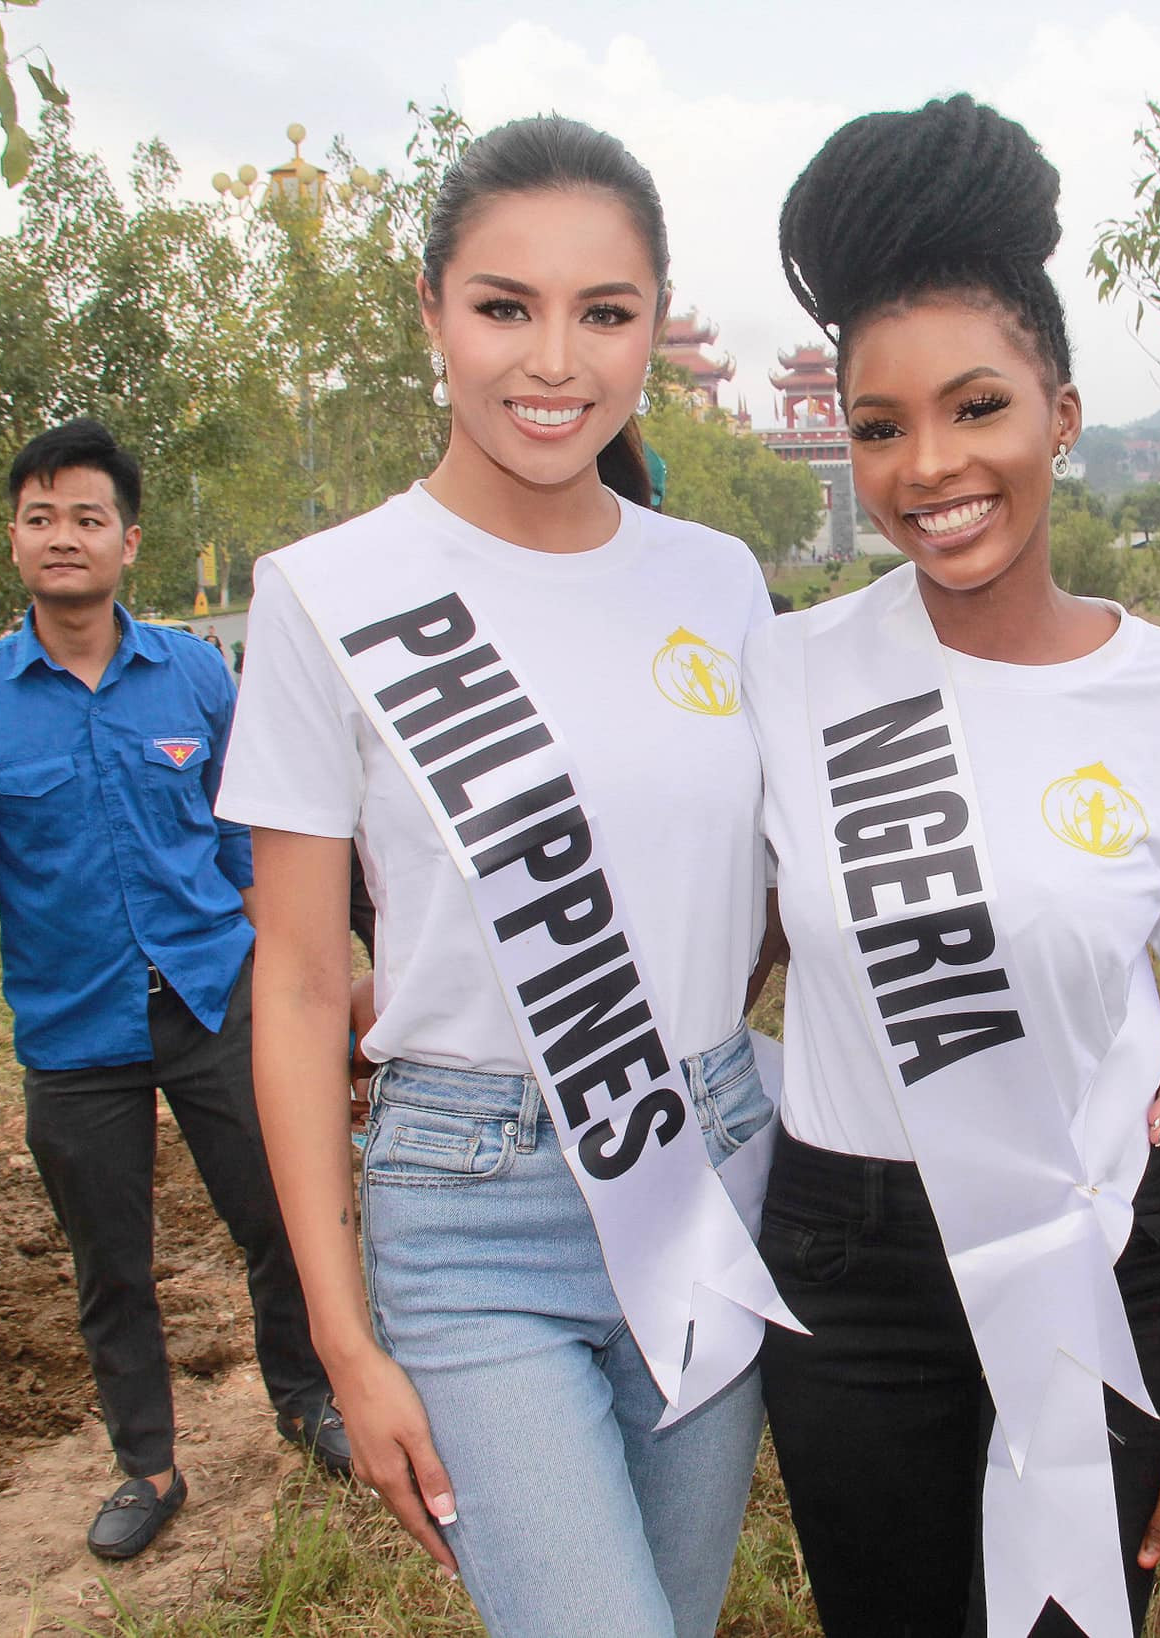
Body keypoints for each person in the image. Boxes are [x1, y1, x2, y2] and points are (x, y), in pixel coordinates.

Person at [214, 117, 798, 1638]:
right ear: (431, 310)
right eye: (503, 305)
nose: (555, 362)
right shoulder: (324, 596)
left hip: (709, 1167)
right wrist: (343, 1339)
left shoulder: (719, 580)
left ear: (654, 331)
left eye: (604, 313)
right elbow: (289, 979)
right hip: (471, 1216)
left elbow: (799, 899)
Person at [746, 96, 1160, 1638]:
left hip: (1100, 1244)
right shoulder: (786, 675)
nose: (931, 466)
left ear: (1058, 411)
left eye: (977, 407)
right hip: (844, 1266)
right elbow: (712, 943)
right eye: (879, 425)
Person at [0, 419, 348, 1563]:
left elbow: (249, 842)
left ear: (127, 542)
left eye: (87, 518)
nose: (65, 539)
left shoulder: (195, 674)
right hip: (71, 1025)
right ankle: (144, 1463)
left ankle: (306, 1400)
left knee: (281, 1217)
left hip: (213, 999)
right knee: (112, 1263)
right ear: (14, 542)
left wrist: (294, 981)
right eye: (42, 518)